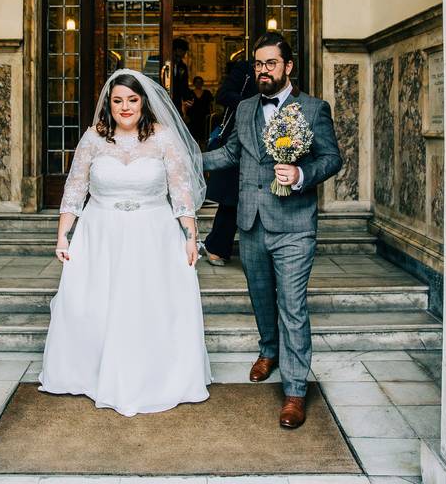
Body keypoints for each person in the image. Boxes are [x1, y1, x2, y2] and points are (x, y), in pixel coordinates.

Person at [40, 69, 212, 416]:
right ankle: (94, 372)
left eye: (132, 100)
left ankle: (153, 377)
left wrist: (191, 236)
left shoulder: (163, 138)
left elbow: (180, 191)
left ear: (144, 102)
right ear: (109, 104)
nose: (125, 107)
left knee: (148, 305)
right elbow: (75, 189)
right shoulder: (93, 138)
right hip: (101, 234)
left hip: (153, 234)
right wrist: (63, 235)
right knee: (97, 305)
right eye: (117, 100)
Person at [202, 32, 342, 429]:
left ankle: (295, 390)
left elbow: (332, 159)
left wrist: (301, 173)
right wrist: (186, 159)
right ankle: (268, 350)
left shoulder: (314, 109)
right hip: (250, 222)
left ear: (288, 66)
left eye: (271, 63)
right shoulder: (246, 108)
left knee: (292, 306)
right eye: (258, 64)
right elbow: (231, 153)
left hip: (294, 224)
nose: (263, 70)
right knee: (261, 296)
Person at [202, 53, 258, 266]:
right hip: (239, 137)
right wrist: (252, 105)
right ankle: (216, 246)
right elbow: (223, 95)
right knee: (232, 198)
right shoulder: (244, 70)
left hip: (268, 143)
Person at [186, 76, 214, 146]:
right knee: (193, 135)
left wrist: (212, 114)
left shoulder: (207, 93)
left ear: (202, 83)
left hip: (204, 117)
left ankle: (203, 150)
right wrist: (185, 115)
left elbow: (211, 104)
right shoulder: (190, 93)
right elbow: (186, 105)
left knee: (203, 135)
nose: (198, 83)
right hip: (193, 117)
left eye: (200, 82)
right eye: (197, 82)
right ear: (194, 83)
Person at [171, 38, 194, 113]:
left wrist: (187, 99)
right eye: (183, 51)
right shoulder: (157, 60)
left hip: (176, 102)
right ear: (177, 50)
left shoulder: (182, 66)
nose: (184, 54)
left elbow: (184, 84)